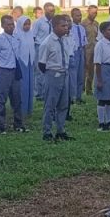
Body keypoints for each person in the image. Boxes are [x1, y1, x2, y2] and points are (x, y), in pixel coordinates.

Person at [39, 14, 73, 142]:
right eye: (63, 25)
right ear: (54, 26)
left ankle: (60, 130)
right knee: (50, 105)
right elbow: (41, 64)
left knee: (63, 105)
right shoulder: (47, 42)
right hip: (53, 74)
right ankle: (47, 132)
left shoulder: (65, 39)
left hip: (64, 74)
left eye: (66, 25)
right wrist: (51, 74)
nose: (66, 28)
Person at [0, 15, 25, 134]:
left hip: (15, 70)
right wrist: (0, 71)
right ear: (3, 26)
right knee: (1, 99)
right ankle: (0, 126)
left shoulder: (16, 38)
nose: (11, 27)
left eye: (12, 24)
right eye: (8, 25)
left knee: (17, 99)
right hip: (4, 70)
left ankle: (18, 124)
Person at [94, 21, 110, 131]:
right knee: (103, 98)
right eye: (109, 29)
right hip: (104, 69)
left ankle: (109, 121)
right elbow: (98, 63)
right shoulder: (100, 44)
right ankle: (101, 122)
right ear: (103, 32)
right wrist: (99, 80)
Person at [32, 2, 56, 99]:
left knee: (49, 69)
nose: (52, 13)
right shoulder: (39, 22)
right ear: (45, 11)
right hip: (40, 47)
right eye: (50, 11)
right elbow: (33, 36)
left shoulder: (54, 22)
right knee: (39, 70)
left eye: (53, 11)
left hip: (51, 48)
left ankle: (47, 90)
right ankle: (38, 93)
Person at [15, 14, 36, 118]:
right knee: (23, 86)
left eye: (29, 24)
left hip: (30, 62)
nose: (27, 26)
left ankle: (29, 109)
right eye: (25, 24)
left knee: (30, 85)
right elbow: (16, 51)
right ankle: (21, 109)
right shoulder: (17, 35)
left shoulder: (31, 34)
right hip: (21, 63)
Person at [69, 8, 87, 105]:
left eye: (80, 15)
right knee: (73, 75)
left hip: (81, 51)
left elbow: (84, 43)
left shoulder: (82, 28)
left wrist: (84, 54)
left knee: (81, 75)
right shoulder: (69, 28)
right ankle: (72, 97)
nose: (79, 17)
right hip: (73, 52)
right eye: (77, 15)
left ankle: (79, 96)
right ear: (72, 16)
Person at [83, 5, 99, 96]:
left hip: (94, 50)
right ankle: (81, 89)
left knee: (92, 70)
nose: (94, 14)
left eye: (96, 13)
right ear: (88, 12)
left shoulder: (96, 24)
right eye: (93, 12)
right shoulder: (83, 24)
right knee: (84, 70)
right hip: (86, 50)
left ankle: (89, 89)